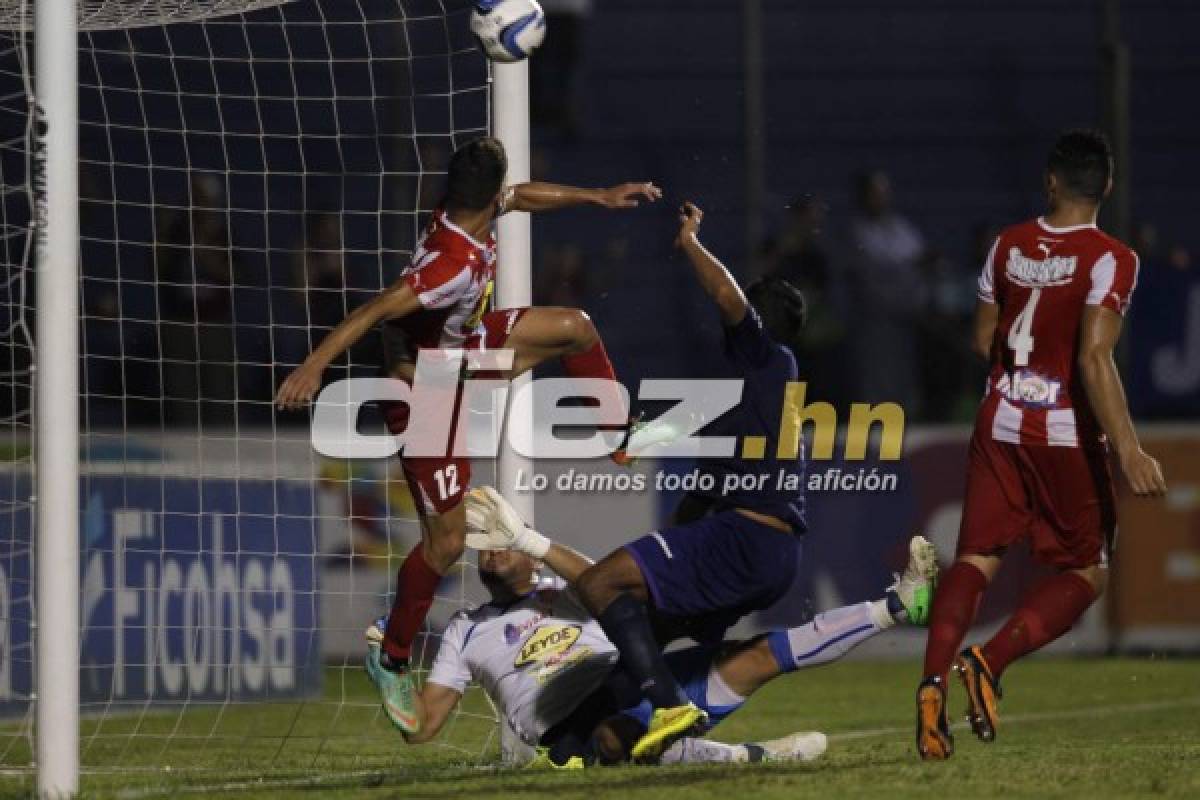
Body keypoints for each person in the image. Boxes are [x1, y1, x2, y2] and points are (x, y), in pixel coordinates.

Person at [275, 136, 661, 734]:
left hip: (464, 355)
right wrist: (314, 365)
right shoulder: (446, 267)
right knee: (447, 544)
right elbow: (374, 311)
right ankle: (393, 653)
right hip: (425, 391)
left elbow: (523, 196)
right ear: (487, 197)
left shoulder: (467, 209)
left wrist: (596, 196)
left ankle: (617, 433)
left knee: (575, 328)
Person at [571, 201, 932, 762]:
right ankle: (589, 742)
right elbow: (695, 488)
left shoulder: (772, 361)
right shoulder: (755, 402)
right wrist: (639, 442)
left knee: (601, 584)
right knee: (644, 645)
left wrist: (690, 244)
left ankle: (669, 709)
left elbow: (727, 298)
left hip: (747, 539)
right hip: (761, 550)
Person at [914, 129, 1168, 761]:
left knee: (975, 558)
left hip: (999, 421)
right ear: (1106, 186)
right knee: (1088, 571)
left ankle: (931, 684)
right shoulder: (1113, 258)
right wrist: (1130, 447)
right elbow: (1093, 357)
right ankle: (988, 660)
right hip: (1063, 434)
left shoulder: (1005, 244)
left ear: (1051, 181)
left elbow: (983, 341)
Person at [375, 487, 937, 768]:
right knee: (610, 738)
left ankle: (896, 606)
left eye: (504, 543)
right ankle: (748, 757)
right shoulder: (464, 630)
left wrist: (529, 537)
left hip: (634, 678)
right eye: (486, 547)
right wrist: (388, 673)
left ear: (529, 557)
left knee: (758, 655)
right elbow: (421, 729)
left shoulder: (566, 591)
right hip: (573, 725)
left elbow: (597, 578)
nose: (492, 551)